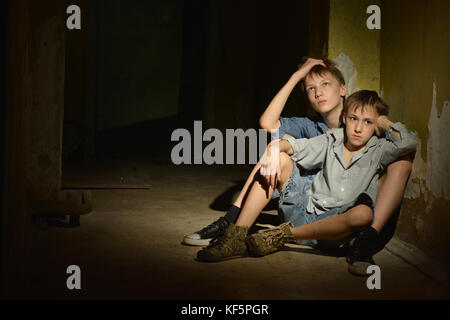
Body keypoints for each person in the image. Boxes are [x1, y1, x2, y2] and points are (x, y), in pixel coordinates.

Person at [183, 57, 414, 275]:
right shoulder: (314, 130)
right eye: (311, 88)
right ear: (346, 119)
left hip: (342, 211)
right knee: (275, 150)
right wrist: (296, 78)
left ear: (343, 89)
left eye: (325, 84)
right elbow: (269, 126)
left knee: (379, 190)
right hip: (306, 201)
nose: (318, 92)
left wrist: (381, 119)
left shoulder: (372, 135)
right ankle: (233, 226)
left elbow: (406, 143)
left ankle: (362, 240)